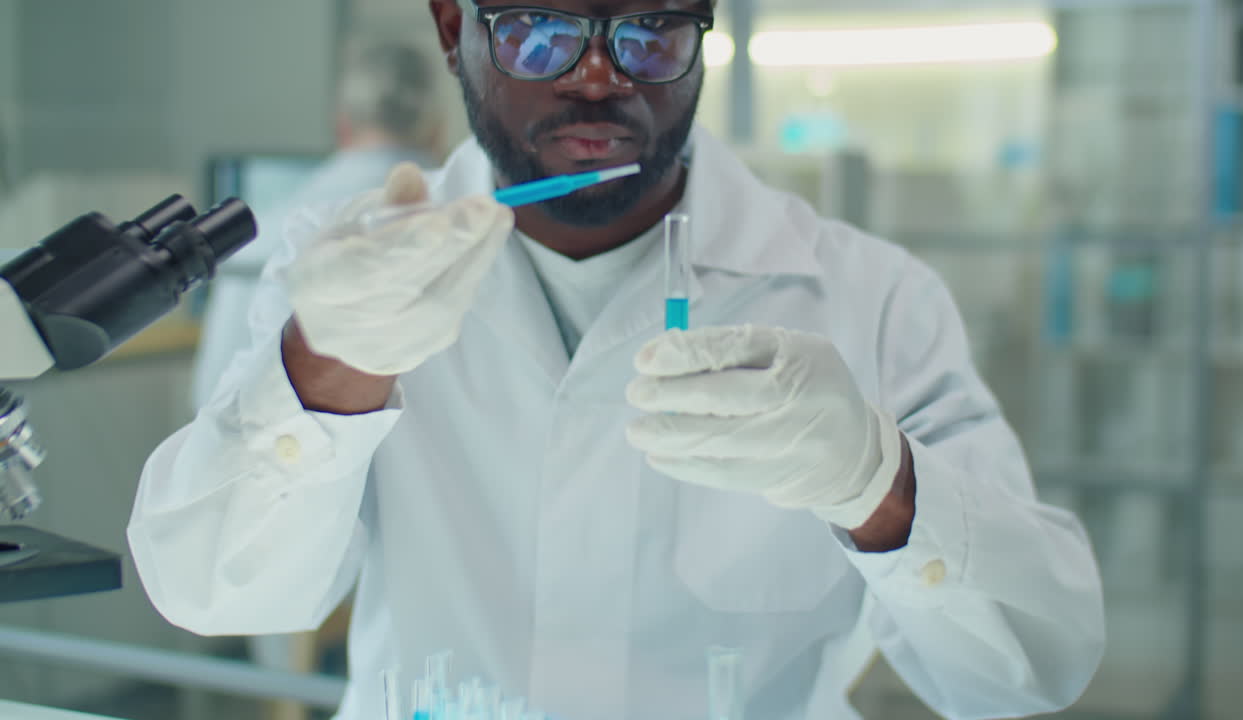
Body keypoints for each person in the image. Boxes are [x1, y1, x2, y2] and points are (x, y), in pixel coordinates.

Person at [129, 1, 1106, 719]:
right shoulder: (347, 274)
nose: (598, 78)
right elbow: (213, 591)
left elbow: (1031, 662)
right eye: (537, 32)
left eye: (650, 32)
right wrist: (327, 373)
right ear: (451, 26)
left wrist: (878, 484)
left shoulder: (871, 297)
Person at [191, 39, 442, 408]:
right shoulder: (473, 225)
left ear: (342, 126)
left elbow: (213, 402)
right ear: (437, 130)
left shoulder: (263, 235)